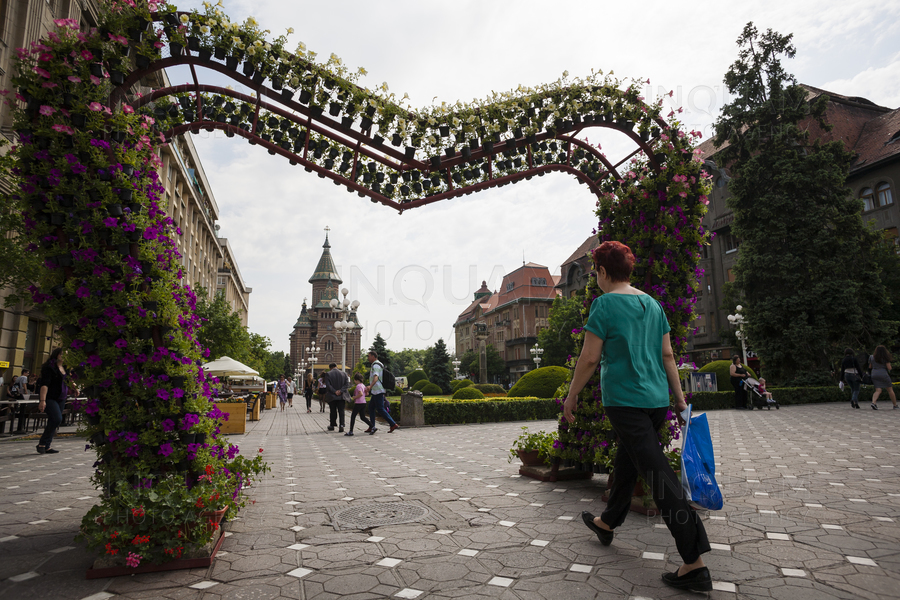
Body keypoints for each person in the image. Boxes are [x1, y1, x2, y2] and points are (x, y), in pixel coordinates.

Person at [563, 241, 711, 593]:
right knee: (630, 458)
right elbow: (668, 356)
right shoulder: (652, 304)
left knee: (659, 479)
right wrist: (677, 398)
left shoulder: (603, 304)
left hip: (625, 402)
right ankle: (607, 522)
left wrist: (571, 396)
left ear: (601, 272)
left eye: (594, 273)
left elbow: (588, 359)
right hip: (655, 401)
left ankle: (694, 563)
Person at [37, 348, 69, 455]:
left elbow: (67, 380)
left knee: (54, 420)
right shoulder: (49, 368)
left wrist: (74, 388)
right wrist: (42, 400)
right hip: (50, 397)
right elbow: (44, 384)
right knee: (56, 418)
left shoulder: (64, 368)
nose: (65, 356)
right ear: (57, 355)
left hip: (61, 398)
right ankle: (42, 443)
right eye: (63, 354)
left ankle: (47, 446)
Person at [366, 351, 399, 434]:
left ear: (373, 356)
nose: (368, 358)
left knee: (380, 409)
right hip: (376, 391)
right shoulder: (377, 364)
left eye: (369, 356)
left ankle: (392, 424)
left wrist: (370, 386)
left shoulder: (376, 365)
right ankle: (372, 426)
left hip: (377, 390)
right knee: (371, 407)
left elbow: (376, 377)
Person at [869, 345, 897, 410]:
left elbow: (870, 367)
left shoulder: (871, 357)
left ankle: (873, 403)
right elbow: (889, 368)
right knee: (890, 390)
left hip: (874, 374)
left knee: (878, 390)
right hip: (883, 373)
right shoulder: (885, 358)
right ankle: (895, 405)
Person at [324, 363, 349, 432]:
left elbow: (328, 386)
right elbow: (347, 384)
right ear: (336, 367)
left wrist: (335, 391)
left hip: (332, 396)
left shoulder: (328, 374)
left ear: (330, 368)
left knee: (333, 411)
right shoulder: (344, 374)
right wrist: (340, 391)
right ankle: (341, 425)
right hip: (341, 396)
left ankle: (332, 425)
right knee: (341, 411)